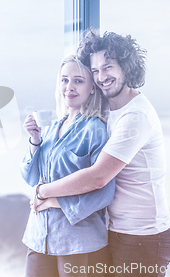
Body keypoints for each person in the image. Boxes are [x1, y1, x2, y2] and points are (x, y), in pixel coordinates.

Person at [34, 30, 170, 277]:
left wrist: (42, 191)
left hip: (143, 238)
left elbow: (97, 177)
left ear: (126, 67)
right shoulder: (109, 108)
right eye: (96, 70)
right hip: (117, 232)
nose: (101, 77)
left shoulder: (135, 116)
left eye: (108, 67)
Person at [21, 55, 116, 277]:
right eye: (64, 80)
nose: (69, 87)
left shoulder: (95, 130)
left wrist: (54, 202)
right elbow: (31, 177)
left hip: (79, 242)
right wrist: (35, 139)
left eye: (78, 81)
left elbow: (104, 191)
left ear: (92, 88)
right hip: (39, 236)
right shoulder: (51, 128)